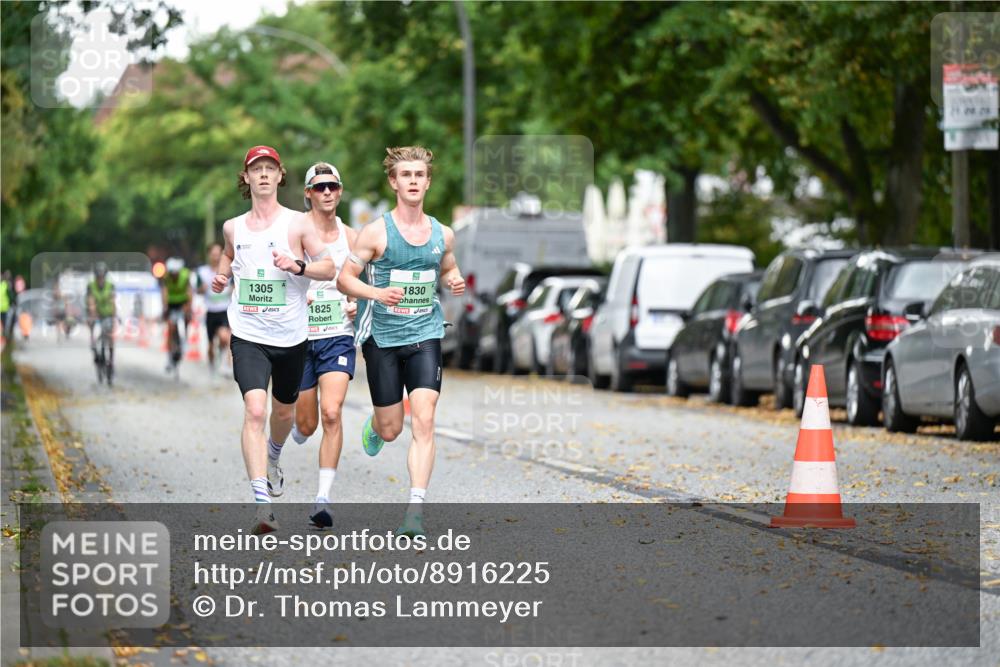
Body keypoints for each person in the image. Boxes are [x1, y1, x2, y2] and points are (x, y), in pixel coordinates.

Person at [337, 146, 465, 538]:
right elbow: (345, 278)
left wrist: (454, 280)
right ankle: (377, 424)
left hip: (426, 332)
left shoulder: (443, 234)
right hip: (383, 337)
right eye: (405, 175)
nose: (413, 181)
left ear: (428, 182)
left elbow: (447, 266)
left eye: (419, 175)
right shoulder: (375, 232)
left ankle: (415, 511)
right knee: (393, 428)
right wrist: (376, 295)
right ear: (394, 182)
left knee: (424, 418)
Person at [211, 145, 335, 535]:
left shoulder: (298, 224)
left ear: (281, 176)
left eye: (270, 168)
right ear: (246, 178)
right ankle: (262, 504)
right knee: (254, 410)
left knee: (284, 414)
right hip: (247, 334)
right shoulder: (233, 226)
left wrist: (297, 265)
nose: (263, 174)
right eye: (256, 169)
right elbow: (228, 257)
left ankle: (274, 455)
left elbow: (328, 265)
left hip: (292, 336)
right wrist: (221, 277)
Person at [287, 162, 358, 529]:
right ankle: (297, 430)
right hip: (300, 337)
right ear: (308, 194)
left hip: (337, 335)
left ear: (340, 191)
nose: (326, 192)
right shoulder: (294, 232)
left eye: (332, 186)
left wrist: (357, 303)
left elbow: (362, 283)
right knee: (307, 423)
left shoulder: (352, 237)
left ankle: (322, 499)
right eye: (319, 187)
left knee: (332, 413)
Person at [197, 243, 234, 374]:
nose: (216, 257)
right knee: (211, 345)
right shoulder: (202, 272)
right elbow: (198, 290)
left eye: (218, 254)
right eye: (213, 254)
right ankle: (212, 367)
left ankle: (227, 364)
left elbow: (235, 287)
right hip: (211, 311)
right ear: (209, 255)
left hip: (224, 310)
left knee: (225, 337)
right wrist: (204, 287)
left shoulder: (230, 270)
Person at [161, 257, 193, 373]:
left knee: (187, 319)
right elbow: (164, 292)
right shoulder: (166, 277)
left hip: (183, 302)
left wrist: (189, 307)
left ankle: (184, 339)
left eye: (176, 273)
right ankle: (169, 357)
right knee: (170, 327)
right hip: (171, 303)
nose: (174, 275)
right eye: (172, 273)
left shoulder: (185, 276)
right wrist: (165, 307)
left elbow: (189, 292)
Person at [86, 262, 116, 371]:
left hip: (107, 313)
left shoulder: (110, 286)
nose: (100, 278)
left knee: (110, 336)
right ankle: (95, 351)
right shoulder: (91, 286)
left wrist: (114, 316)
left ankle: (111, 360)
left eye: (102, 276)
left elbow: (113, 302)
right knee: (93, 334)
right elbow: (91, 302)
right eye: (98, 276)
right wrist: (93, 313)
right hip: (94, 314)